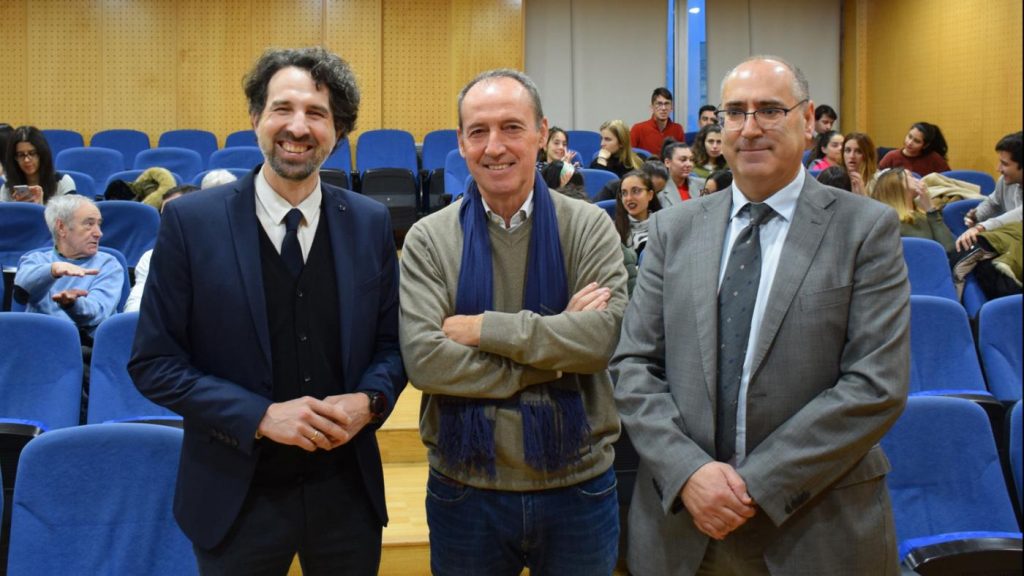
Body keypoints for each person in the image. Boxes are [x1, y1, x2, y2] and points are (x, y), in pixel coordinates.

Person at [612, 55, 909, 576]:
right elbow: (634, 367)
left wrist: (757, 485)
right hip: (682, 530)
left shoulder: (865, 230)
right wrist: (691, 474)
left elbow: (875, 385)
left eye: (770, 110)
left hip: (815, 528)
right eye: (734, 112)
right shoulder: (672, 231)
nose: (749, 129)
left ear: (806, 116)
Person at [128, 47, 406, 575]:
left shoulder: (370, 223)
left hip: (346, 495)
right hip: (234, 494)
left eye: (317, 114)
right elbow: (154, 363)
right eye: (282, 108)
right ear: (256, 117)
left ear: (338, 130)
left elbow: (392, 348)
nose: (297, 127)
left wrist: (369, 401)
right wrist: (259, 416)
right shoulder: (190, 223)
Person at [399, 68, 628, 576]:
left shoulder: (588, 226)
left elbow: (597, 343)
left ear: (542, 133)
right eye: (478, 131)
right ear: (460, 142)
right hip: (466, 489)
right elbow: (427, 364)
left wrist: (483, 329)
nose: (494, 146)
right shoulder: (428, 239)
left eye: (512, 127)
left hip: (579, 487)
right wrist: (553, 354)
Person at [13, 194, 123, 339]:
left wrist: (72, 305)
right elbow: (22, 288)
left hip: (85, 348)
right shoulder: (36, 260)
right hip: (38, 343)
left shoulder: (109, 264)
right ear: (61, 227)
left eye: (99, 224)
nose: (99, 233)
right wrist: (52, 270)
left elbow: (97, 313)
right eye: (89, 224)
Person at [123, 184, 200, 313]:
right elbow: (134, 308)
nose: (165, 222)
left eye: (173, 215)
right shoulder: (152, 257)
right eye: (163, 215)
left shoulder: (228, 255)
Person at [956, 131, 1022, 252]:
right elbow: (993, 202)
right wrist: (976, 216)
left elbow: (1020, 214)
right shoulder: (1005, 180)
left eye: (1004, 164)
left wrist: (981, 227)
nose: (998, 169)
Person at [869, 167, 956, 253]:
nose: (917, 180)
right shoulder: (892, 222)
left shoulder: (926, 215)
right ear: (896, 185)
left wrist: (930, 209)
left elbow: (950, 247)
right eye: (910, 176)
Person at [1, 125, 76, 204]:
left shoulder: (63, 182)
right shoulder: (7, 188)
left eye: (32, 153)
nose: (26, 160)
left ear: (42, 154)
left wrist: (38, 207)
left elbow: (69, 216)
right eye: (21, 155)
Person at [615, 169, 661, 256]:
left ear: (650, 195)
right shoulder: (614, 231)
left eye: (635, 191)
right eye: (624, 193)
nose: (629, 198)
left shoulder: (664, 225)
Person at [879, 121, 951, 175]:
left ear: (925, 145)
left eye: (917, 141)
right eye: (909, 136)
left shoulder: (934, 158)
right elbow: (877, 179)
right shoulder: (891, 157)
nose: (910, 143)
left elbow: (949, 179)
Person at [630, 87, 685, 155]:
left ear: (672, 108)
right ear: (652, 107)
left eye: (667, 104)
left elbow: (681, 156)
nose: (663, 108)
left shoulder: (677, 129)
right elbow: (630, 158)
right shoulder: (638, 129)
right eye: (659, 104)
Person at [658, 140, 697, 206]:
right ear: (667, 162)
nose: (689, 164)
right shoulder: (659, 190)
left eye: (691, 160)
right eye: (683, 160)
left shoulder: (703, 184)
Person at [843, 131, 877, 196]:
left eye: (858, 151)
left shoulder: (877, 181)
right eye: (847, 150)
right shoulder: (836, 177)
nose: (852, 156)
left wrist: (863, 195)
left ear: (868, 155)